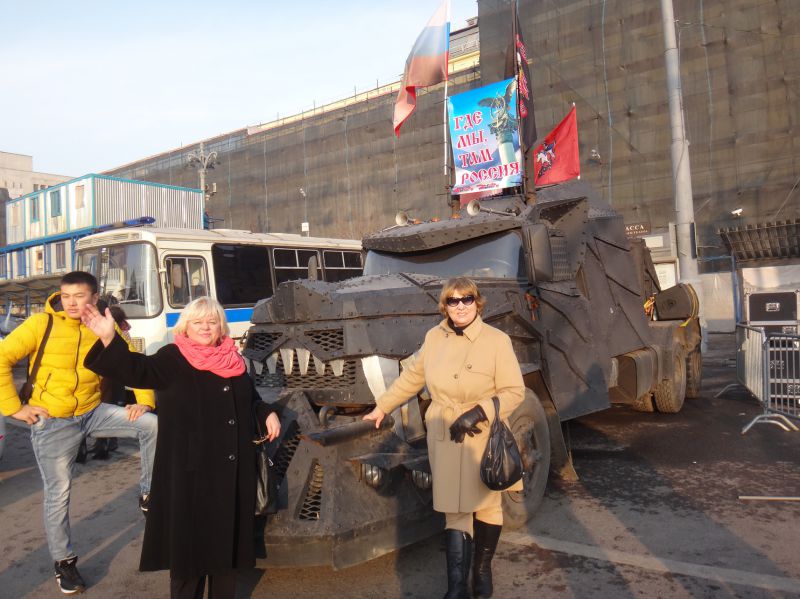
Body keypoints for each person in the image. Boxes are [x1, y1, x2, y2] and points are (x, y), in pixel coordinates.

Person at [81, 296, 281, 599]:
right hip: (192, 475)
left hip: (231, 472)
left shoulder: (233, 359)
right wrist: (111, 338)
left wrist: (266, 412)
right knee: (190, 559)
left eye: (212, 321)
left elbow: (249, 398)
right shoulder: (173, 357)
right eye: (198, 322)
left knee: (226, 558)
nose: (205, 327)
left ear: (221, 327)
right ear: (186, 326)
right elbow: (138, 370)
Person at [364, 277, 524, 599]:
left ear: (477, 302)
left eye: (467, 299)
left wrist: (479, 412)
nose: (460, 306)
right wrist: (382, 407)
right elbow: (412, 378)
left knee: (487, 505)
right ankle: (456, 588)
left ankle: (482, 571)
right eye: (453, 300)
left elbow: (514, 391)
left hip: (483, 435)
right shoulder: (433, 338)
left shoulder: (497, 341)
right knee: (455, 509)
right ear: (445, 305)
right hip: (446, 435)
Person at [0, 271, 157, 595]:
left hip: (92, 411)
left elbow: (133, 361)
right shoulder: (40, 324)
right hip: (53, 421)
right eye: (66, 296)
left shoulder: (103, 325)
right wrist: (14, 408)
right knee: (59, 493)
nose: (71, 303)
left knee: (152, 424)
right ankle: (64, 562)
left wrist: (144, 401)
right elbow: (2, 357)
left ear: (94, 298)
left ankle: (148, 494)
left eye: (79, 296)